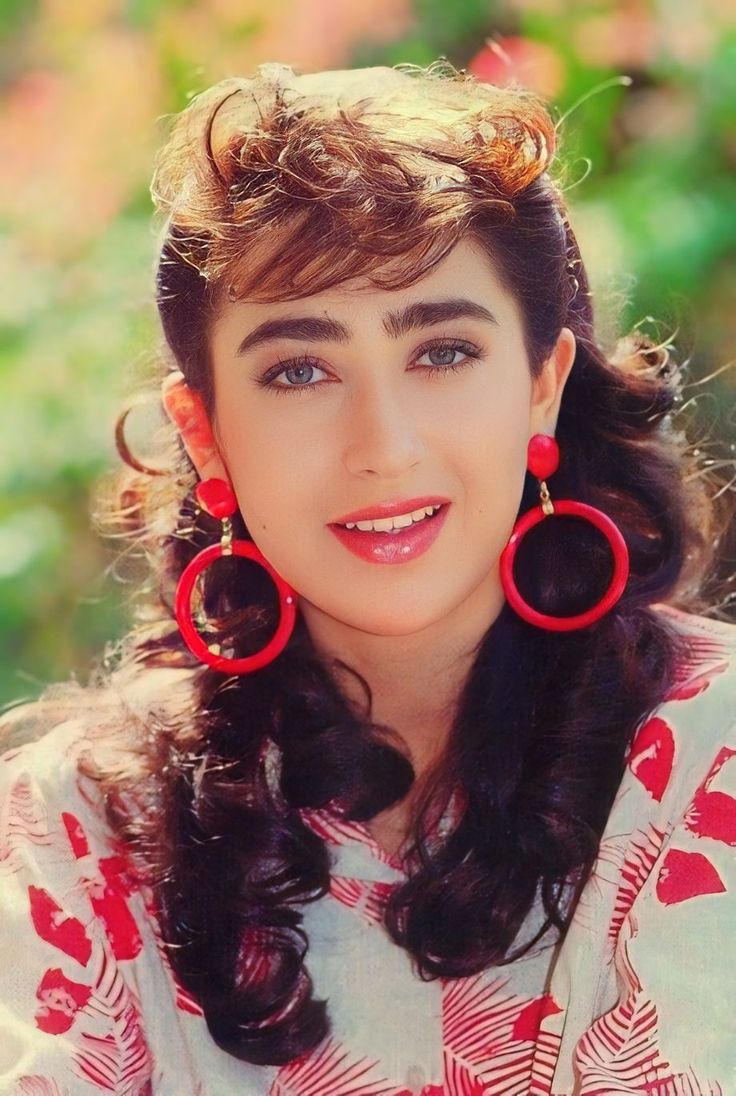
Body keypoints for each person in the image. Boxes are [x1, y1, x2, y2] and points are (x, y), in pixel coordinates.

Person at [1, 59, 735, 1095]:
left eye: (441, 352)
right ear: (205, 435)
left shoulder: (714, 753)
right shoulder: (73, 827)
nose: (381, 446)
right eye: (299, 370)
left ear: (541, 389)